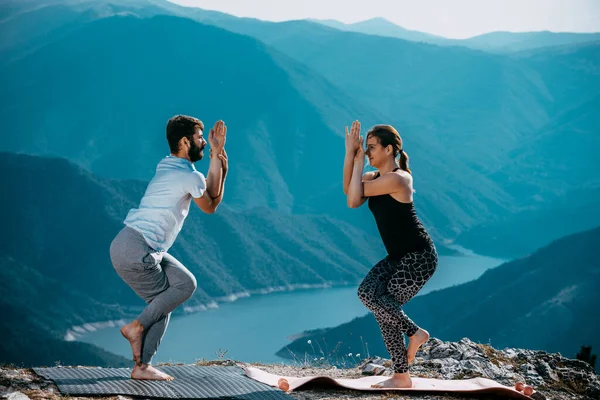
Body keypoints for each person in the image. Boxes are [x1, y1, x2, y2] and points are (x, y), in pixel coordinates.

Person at [109, 115, 228, 380]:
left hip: (130, 243)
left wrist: (217, 154)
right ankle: (140, 351)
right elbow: (210, 205)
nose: (202, 142)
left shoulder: (167, 164)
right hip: (137, 250)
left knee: (184, 283)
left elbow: (207, 188)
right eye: (199, 138)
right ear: (185, 141)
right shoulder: (189, 176)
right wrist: (218, 161)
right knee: (164, 299)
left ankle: (141, 354)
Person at [344, 121, 438, 388]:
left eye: (372, 148)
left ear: (388, 149)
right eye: (367, 148)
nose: (369, 152)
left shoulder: (399, 178)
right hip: (399, 256)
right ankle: (402, 375)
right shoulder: (375, 178)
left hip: (419, 257)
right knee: (371, 297)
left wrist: (357, 160)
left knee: (380, 304)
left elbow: (354, 195)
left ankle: (414, 336)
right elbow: (350, 195)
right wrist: (351, 154)